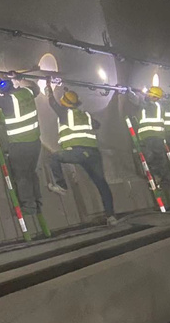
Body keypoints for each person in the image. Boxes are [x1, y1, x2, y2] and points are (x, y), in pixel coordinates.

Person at [45, 86, 117, 226]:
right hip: (93, 154)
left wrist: (48, 89)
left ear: (64, 103)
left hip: (77, 153)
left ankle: (61, 186)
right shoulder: (86, 115)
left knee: (54, 157)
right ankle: (111, 216)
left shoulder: (65, 113)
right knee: (102, 184)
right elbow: (97, 124)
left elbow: (52, 103)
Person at [0, 72, 43, 217]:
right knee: (31, 173)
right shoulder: (26, 93)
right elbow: (36, 88)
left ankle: (29, 207)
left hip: (19, 145)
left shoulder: (8, 101)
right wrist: (19, 78)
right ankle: (37, 204)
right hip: (35, 143)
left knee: (22, 176)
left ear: (0, 89)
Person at [124, 86, 170, 187]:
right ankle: (163, 179)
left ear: (154, 96)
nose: (148, 95)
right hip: (158, 135)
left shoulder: (146, 105)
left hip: (147, 135)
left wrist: (129, 91)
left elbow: (134, 99)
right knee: (160, 158)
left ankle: (155, 178)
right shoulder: (161, 106)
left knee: (150, 158)